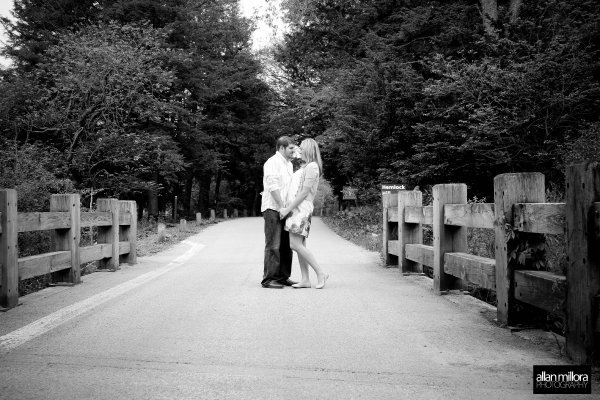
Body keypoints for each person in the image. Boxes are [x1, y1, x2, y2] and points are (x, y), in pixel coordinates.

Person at [279, 138, 329, 289]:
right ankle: (305, 279)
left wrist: (288, 209)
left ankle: (321, 273)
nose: (298, 150)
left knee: (294, 244)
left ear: (308, 149)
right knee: (300, 244)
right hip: (298, 206)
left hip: (301, 207)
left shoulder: (312, 167)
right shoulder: (307, 166)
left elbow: (304, 192)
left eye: (300, 148)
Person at [261, 136, 297, 289]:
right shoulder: (272, 162)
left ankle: (283, 277)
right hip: (273, 209)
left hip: (285, 209)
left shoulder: (289, 164)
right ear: (281, 148)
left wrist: (289, 208)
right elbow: (272, 185)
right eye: (290, 149)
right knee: (273, 245)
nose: (293, 152)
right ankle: (269, 279)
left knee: (286, 245)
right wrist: (282, 206)